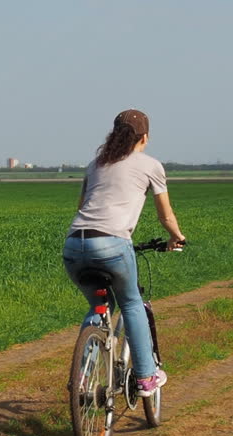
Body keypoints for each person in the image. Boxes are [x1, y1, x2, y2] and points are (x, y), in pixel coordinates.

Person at [63, 108, 186, 397]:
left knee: (98, 307)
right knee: (132, 304)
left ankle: (82, 377)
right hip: (112, 244)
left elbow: (82, 208)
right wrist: (177, 237)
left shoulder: (95, 165)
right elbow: (165, 216)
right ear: (145, 137)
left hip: (74, 244)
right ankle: (145, 377)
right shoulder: (150, 165)